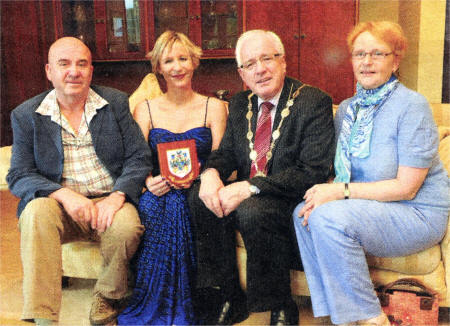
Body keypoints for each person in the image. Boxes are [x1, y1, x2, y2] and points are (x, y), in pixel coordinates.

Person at [292, 21, 449, 325]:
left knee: (328, 216)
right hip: (371, 209)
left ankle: (370, 318)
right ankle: (336, 315)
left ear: (396, 59)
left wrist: (339, 193)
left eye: (377, 53)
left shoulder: (412, 106)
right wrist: (326, 192)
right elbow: (342, 173)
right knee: (304, 212)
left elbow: (407, 188)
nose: (366, 62)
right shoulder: (348, 110)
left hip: (415, 212)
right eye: (359, 54)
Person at [188, 29, 335, 325]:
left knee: (254, 210)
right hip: (248, 193)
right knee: (199, 197)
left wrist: (250, 187)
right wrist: (211, 173)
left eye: (267, 59)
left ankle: (281, 304)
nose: (260, 70)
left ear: (283, 62)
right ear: (242, 73)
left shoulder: (313, 101)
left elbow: (313, 170)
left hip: (290, 196)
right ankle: (229, 294)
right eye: (250, 64)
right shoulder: (241, 103)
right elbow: (227, 152)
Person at [6, 37, 152, 326]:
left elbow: (139, 157)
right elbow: (19, 174)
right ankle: (44, 316)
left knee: (127, 226)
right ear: (49, 71)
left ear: (91, 70)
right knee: (35, 212)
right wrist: (62, 194)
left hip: (109, 200)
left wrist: (117, 196)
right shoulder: (25, 116)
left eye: (81, 64)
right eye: (64, 64)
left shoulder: (115, 103)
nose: (74, 71)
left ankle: (108, 296)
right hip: (61, 206)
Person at [117, 31, 227, 325]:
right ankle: (154, 299)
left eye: (183, 58)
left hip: (201, 188)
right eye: (169, 60)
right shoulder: (146, 108)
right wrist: (146, 182)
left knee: (188, 204)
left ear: (194, 62)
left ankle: (196, 300)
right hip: (158, 187)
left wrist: (206, 178)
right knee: (153, 205)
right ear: (159, 67)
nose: (177, 66)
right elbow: (136, 159)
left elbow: (221, 156)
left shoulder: (214, 107)